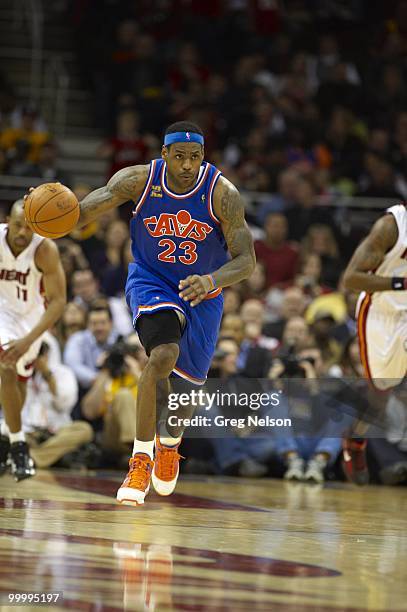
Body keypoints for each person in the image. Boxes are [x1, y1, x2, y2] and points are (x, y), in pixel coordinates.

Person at [73, 121, 256, 505]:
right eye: (180, 157)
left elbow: (246, 261)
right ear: (165, 154)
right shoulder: (138, 180)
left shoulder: (223, 194)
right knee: (162, 356)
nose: (188, 165)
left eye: (195, 157)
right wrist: (47, 213)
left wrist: (210, 280)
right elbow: (81, 213)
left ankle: (169, 444)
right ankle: (140, 459)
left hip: (203, 289)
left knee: (185, 389)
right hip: (151, 280)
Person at [0, 200, 66, 480]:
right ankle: (18, 445)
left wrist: (28, 340)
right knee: (6, 364)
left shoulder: (44, 249)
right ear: (8, 221)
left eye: (28, 227)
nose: (22, 232)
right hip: (2, 312)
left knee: (20, 380)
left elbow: (59, 302)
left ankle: (13, 437)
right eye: (17, 225)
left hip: (31, 318)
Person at [342, 202, 407, 484]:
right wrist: (401, 284)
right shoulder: (392, 225)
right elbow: (351, 279)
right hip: (381, 312)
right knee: (378, 397)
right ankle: (355, 439)